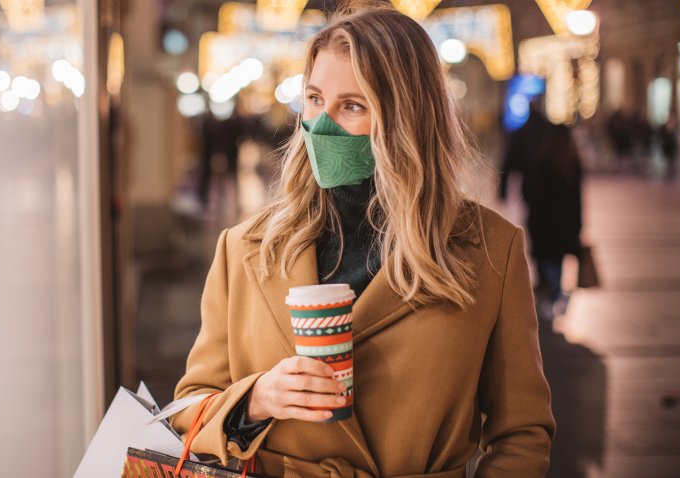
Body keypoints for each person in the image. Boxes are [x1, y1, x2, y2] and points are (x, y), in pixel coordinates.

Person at [170, 3, 555, 477]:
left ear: (407, 116)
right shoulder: (245, 247)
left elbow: (522, 432)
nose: (321, 124)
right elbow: (189, 408)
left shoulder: (490, 250)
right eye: (314, 99)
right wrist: (256, 400)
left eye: (351, 105)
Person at [502, 97, 582, 321]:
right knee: (556, 258)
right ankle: (555, 292)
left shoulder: (543, 161)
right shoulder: (572, 163)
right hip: (564, 224)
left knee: (546, 258)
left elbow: (528, 185)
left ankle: (553, 291)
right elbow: (577, 197)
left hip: (544, 223)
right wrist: (578, 223)